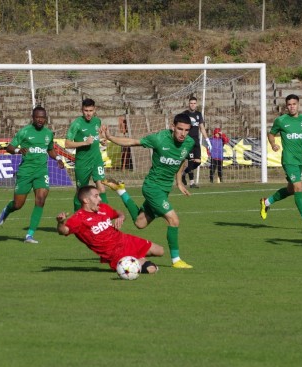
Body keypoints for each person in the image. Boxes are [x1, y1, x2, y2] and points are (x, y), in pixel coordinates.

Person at [101, 113, 195, 269]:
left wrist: (179, 182)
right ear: (173, 127)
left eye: (186, 130)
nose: (183, 134)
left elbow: (181, 161)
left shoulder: (189, 142)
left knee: (140, 223)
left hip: (164, 190)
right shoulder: (159, 139)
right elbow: (132, 142)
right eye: (180, 129)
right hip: (152, 187)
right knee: (174, 220)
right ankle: (176, 260)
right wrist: (110, 137)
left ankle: (121, 191)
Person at [56, 185, 163, 274]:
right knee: (151, 269)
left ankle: (138, 257)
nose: (100, 199)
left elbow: (119, 212)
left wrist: (121, 217)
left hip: (126, 240)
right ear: (86, 200)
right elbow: (63, 231)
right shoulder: (78, 218)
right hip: (115, 254)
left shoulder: (103, 208)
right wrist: (61, 222)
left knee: (160, 251)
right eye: (96, 196)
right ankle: (138, 260)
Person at [0, 106, 65, 243]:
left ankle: (29, 235)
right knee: (18, 204)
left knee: (40, 199)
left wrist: (57, 158)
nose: (40, 120)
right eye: (37, 117)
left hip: (41, 171)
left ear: (46, 119)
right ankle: (7, 210)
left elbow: (50, 149)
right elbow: (9, 147)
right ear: (33, 118)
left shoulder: (48, 134)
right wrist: (18, 150)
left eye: (42, 117)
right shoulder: (25, 132)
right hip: (25, 172)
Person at [259, 94, 302, 230]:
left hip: (299, 161)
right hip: (288, 160)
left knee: (291, 190)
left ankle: (266, 202)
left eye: (294, 104)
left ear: (298, 105)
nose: (292, 106)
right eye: (289, 104)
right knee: (298, 187)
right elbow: (271, 133)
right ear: (286, 106)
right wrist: (273, 144)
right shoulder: (281, 120)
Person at [65, 98, 109, 211]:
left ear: (95, 110)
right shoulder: (76, 124)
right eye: (86, 110)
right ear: (82, 110)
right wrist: (85, 143)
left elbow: (97, 137)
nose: (88, 113)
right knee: (81, 192)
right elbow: (67, 144)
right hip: (82, 162)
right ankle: (77, 219)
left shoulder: (97, 121)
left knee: (101, 187)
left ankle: (105, 216)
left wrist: (102, 140)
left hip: (96, 159)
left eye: (90, 110)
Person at [181, 96, 211, 188]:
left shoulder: (198, 114)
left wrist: (207, 140)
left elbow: (202, 128)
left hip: (196, 141)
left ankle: (183, 173)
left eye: (194, 103)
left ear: (196, 104)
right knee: (190, 161)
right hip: (188, 141)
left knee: (197, 162)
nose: (193, 105)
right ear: (188, 104)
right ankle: (192, 183)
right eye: (191, 103)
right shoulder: (185, 114)